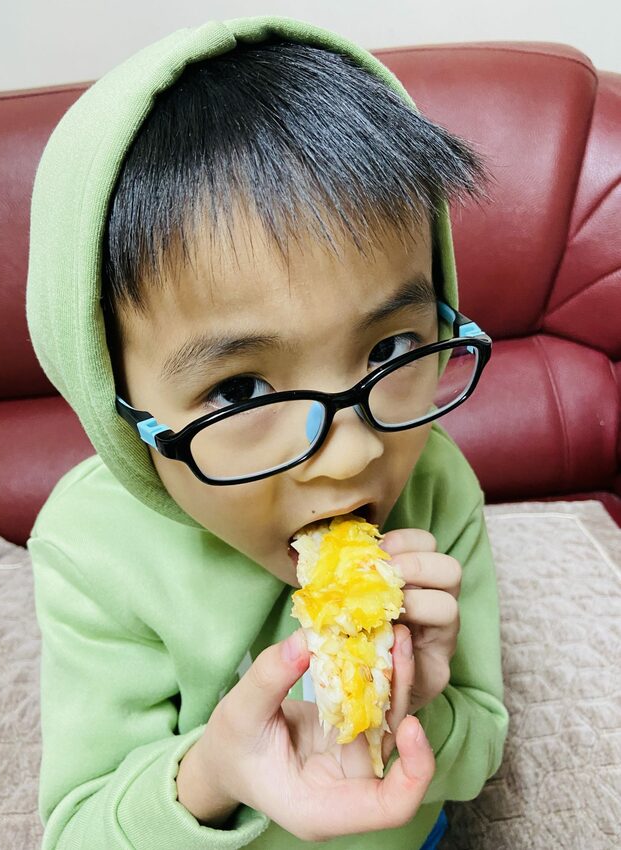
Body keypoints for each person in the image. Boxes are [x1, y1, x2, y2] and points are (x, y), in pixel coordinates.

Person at [26, 14, 509, 850]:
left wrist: (425, 703)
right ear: (116, 401)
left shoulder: (436, 480)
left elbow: (479, 749)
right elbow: (78, 829)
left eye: (391, 349)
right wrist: (213, 773)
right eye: (240, 391)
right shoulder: (91, 548)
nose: (352, 452)